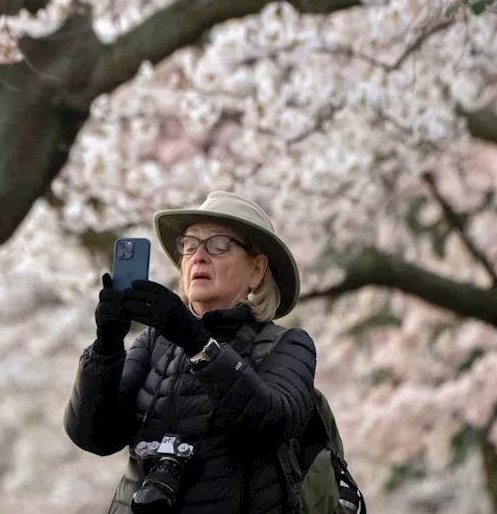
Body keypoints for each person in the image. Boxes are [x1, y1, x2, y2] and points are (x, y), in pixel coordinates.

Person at [64, 191, 317, 514]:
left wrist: (197, 343)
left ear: (256, 270)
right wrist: (106, 348)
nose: (199, 256)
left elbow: (272, 422)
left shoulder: (288, 344)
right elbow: (95, 437)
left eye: (219, 245)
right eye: (190, 245)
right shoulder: (154, 343)